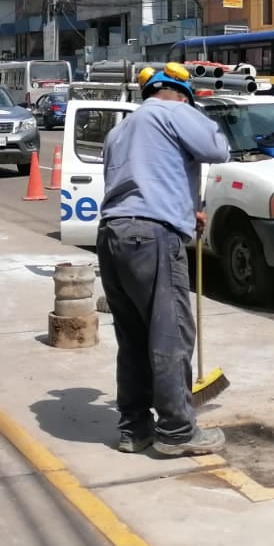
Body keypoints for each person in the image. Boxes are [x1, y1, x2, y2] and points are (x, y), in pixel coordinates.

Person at [97, 63, 231, 457]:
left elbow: (145, 178)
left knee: (134, 338)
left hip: (113, 235)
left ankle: (134, 429)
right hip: (152, 237)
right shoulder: (173, 110)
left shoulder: (120, 130)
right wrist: (193, 111)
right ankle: (176, 430)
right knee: (169, 334)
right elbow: (217, 149)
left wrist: (189, 209)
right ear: (181, 93)